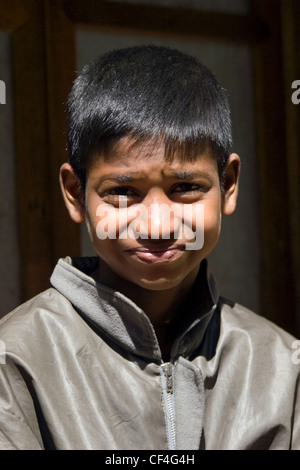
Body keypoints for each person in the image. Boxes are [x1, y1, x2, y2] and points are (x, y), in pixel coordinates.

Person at [0, 45, 299, 451]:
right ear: (75, 193)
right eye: (122, 192)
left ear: (228, 184)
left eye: (186, 188)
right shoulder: (16, 359)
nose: (157, 225)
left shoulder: (282, 366)